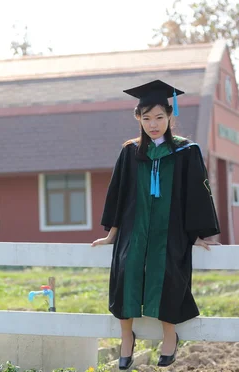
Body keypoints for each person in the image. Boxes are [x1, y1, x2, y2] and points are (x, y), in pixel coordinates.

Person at [91, 79, 221, 369]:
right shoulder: (130, 152)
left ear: (170, 116)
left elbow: (196, 196)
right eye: (147, 118)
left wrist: (198, 235)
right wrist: (112, 235)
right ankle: (127, 336)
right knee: (126, 275)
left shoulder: (186, 152)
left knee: (169, 278)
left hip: (170, 233)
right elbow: (118, 194)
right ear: (137, 118)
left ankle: (169, 336)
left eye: (160, 117)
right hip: (133, 232)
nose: (154, 124)